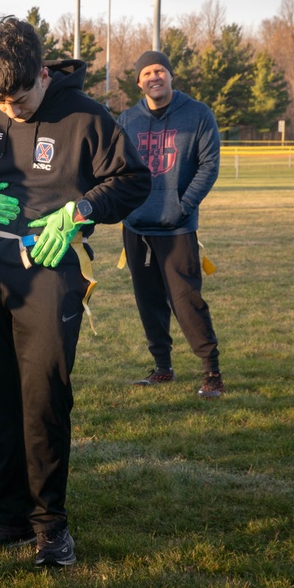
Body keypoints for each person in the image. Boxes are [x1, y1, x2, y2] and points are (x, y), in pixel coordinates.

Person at [0, 16, 151, 567]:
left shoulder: (84, 115)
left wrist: (83, 212)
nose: (12, 108)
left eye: (21, 95)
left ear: (41, 73)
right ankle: (9, 516)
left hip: (50, 273)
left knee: (43, 398)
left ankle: (50, 525)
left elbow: (133, 179)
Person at [115, 51, 224, 398]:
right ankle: (163, 367)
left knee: (186, 302)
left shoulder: (197, 113)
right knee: (148, 302)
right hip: (137, 228)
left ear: (171, 75)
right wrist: (126, 208)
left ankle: (211, 372)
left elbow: (209, 164)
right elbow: (116, 168)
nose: (154, 76)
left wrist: (185, 204)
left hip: (176, 228)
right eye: (146, 72)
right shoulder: (127, 119)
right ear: (139, 81)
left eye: (159, 69)